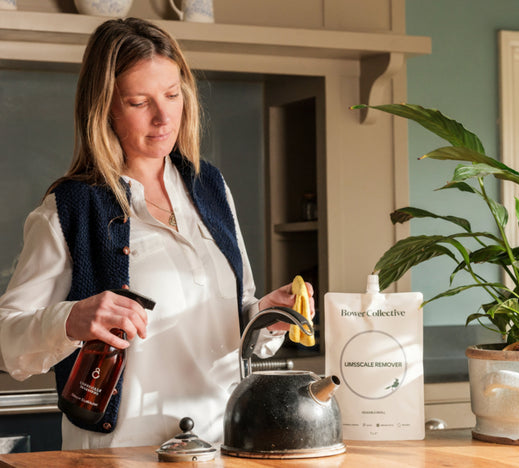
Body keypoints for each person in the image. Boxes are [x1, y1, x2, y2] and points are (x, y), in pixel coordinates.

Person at [0, 17, 314, 450]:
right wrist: (70, 320)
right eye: (138, 101)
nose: (164, 116)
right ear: (106, 107)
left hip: (220, 445)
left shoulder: (211, 187)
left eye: (171, 95)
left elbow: (229, 320)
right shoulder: (71, 207)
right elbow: (8, 340)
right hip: (123, 453)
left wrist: (264, 315)